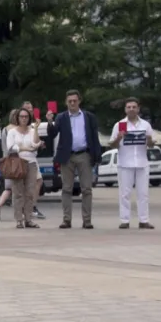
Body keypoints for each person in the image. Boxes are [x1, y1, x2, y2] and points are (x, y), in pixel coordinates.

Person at [47, 89, 101, 229]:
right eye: (69, 101)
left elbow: (94, 138)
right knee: (66, 189)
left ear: (79, 101)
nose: (72, 103)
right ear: (66, 102)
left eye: (74, 101)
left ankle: (87, 220)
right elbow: (52, 134)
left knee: (86, 189)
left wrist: (96, 156)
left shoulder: (89, 117)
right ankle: (67, 220)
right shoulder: (61, 117)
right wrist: (49, 121)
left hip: (84, 154)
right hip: (67, 156)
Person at [109, 97, 155, 229]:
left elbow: (151, 145)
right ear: (125, 109)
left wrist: (149, 139)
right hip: (125, 162)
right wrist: (118, 138)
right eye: (129, 107)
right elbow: (112, 145)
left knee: (143, 193)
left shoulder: (145, 125)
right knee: (124, 193)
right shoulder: (119, 125)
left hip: (142, 162)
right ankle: (124, 220)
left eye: (134, 107)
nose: (131, 109)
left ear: (138, 109)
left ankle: (144, 220)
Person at [7, 107, 42, 229]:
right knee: (18, 192)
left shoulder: (32, 131)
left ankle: (28, 219)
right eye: (21, 116)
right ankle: (19, 220)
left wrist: (36, 129)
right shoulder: (12, 132)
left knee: (30, 192)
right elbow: (11, 147)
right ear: (17, 118)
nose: (24, 119)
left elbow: (36, 144)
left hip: (31, 163)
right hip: (17, 163)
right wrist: (25, 148)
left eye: (26, 117)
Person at [21, 101, 50, 220]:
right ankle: (26, 208)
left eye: (31, 109)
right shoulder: (19, 126)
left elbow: (35, 142)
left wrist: (40, 144)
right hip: (23, 158)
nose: (30, 111)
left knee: (38, 181)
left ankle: (32, 207)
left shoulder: (33, 126)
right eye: (27, 109)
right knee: (25, 185)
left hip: (33, 158)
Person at [0, 109, 19, 222]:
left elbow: (4, 148)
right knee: (19, 187)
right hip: (18, 160)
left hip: (7, 161)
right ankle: (19, 212)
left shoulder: (5, 130)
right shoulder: (18, 130)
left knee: (8, 188)